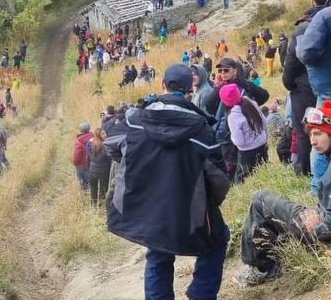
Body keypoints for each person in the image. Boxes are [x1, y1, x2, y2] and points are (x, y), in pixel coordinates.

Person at [107, 64, 231, 300]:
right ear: (189, 91)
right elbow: (220, 180)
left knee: (157, 249)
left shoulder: (135, 122)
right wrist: (209, 203)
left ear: (162, 84)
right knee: (218, 240)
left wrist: (139, 169)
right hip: (189, 213)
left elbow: (111, 144)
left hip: (150, 208)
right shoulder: (203, 132)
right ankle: (201, 295)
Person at [234, 99, 331, 286]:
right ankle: (278, 245)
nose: (313, 141)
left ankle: (262, 268)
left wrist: (314, 226)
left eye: (318, 134)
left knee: (260, 199)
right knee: (273, 205)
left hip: (328, 237)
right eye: (310, 135)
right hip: (328, 222)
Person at [282, 0, 324, 175]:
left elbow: (291, 62)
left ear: (313, 2)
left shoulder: (304, 28)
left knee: (305, 130)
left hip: (305, 85)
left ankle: (304, 171)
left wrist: (290, 84)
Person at [221, 83, 268, 183]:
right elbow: (264, 122)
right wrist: (264, 137)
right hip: (262, 144)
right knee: (263, 170)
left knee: (241, 177)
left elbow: (239, 141)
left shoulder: (233, 116)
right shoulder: (251, 102)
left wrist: (232, 138)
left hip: (247, 151)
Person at [86, 127, 112, 207]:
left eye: (105, 133)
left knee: (93, 189)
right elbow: (109, 159)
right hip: (104, 172)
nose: (105, 135)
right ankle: (100, 205)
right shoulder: (105, 146)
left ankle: (93, 205)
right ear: (98, 135)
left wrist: (88, 168)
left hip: (92, 170)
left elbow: (88, 158)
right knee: (103, 189)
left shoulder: (90, 144)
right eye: (102, 134)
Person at [72, 122, 94, 192]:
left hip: (82, 166)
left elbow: (76, 156)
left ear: (80, 130)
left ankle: (85, 196)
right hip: (93, 164)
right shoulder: (94, 137)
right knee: (91, 182)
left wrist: (75, 163)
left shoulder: (79, 141)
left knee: (83, 183)